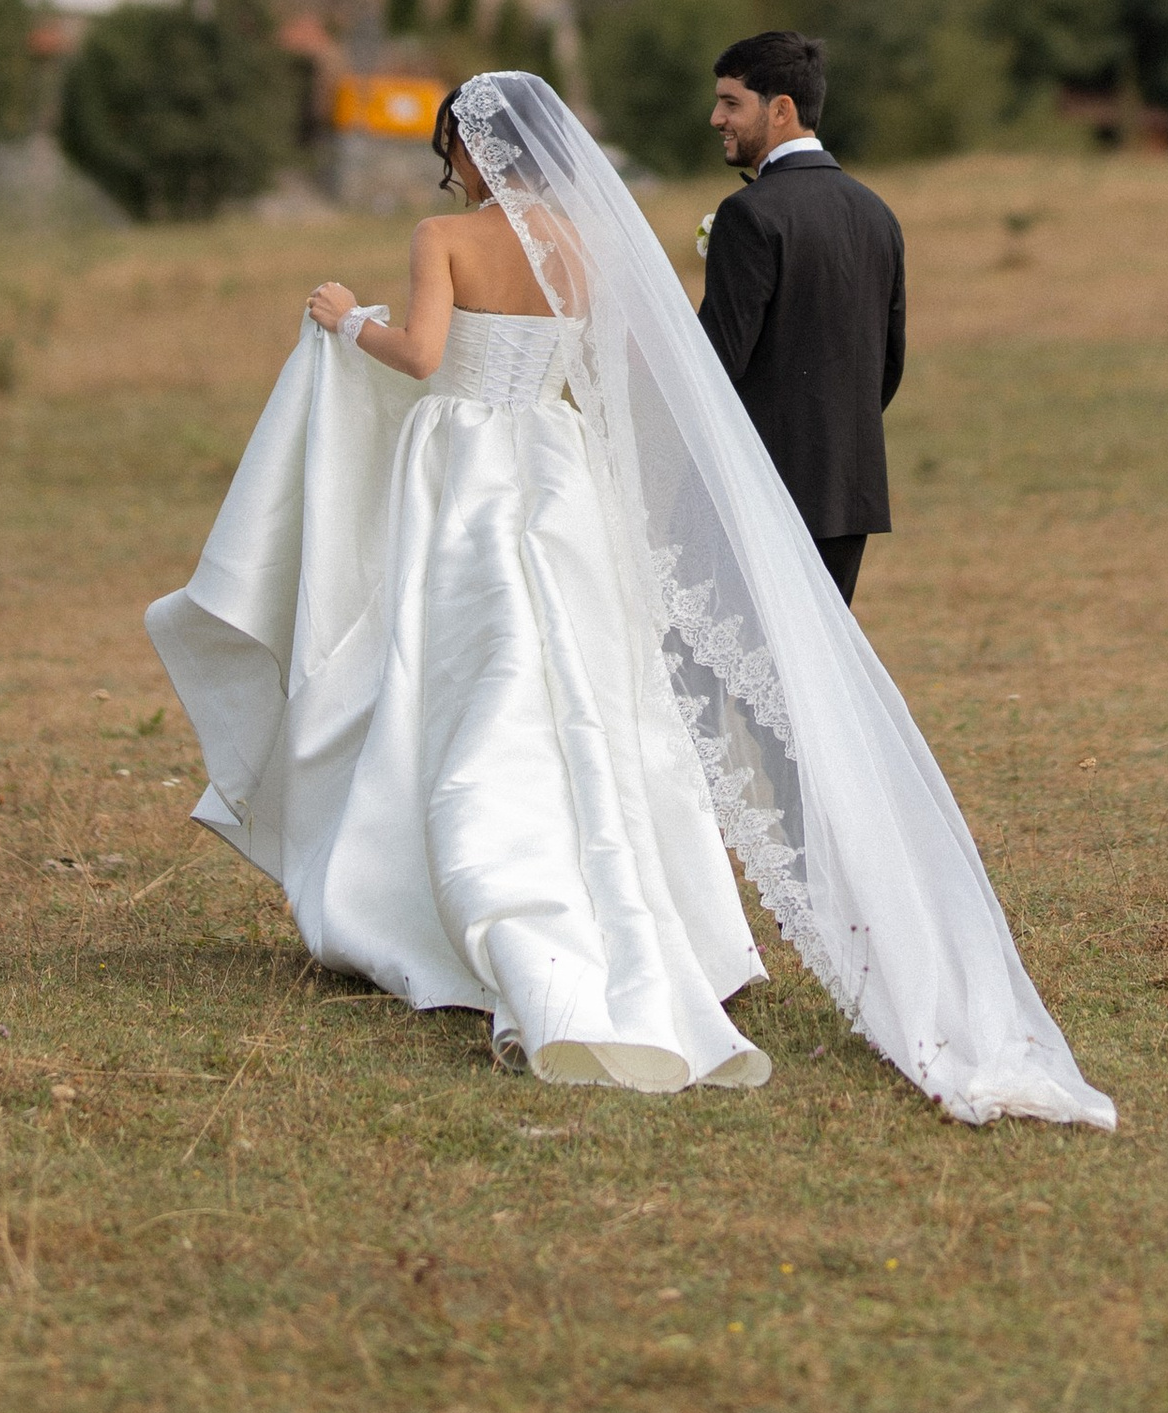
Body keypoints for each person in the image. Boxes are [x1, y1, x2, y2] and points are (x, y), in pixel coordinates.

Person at [147, 71, 1113, 1130]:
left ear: (476, 151)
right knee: (587, 686)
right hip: (558, 469)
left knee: (457, 672)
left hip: (465, 467)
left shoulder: (445, 237)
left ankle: (449, 906)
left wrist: (346, 322)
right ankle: (652, 916)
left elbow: (424, 359)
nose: (447, 170)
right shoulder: (591, 243)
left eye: (451, 150)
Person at [700, 30, 904, 609]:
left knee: (718, 679)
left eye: (731, 102)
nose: (717, 117)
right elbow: (887, 364)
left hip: (763, 490)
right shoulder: (876, 212)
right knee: (814, 680)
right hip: (848, 490)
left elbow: (716, 363)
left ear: (782, 109)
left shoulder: (748, 215)